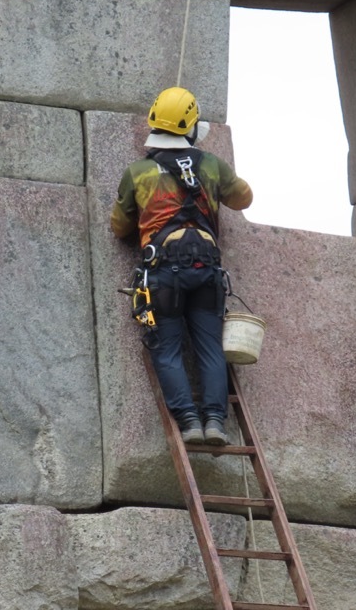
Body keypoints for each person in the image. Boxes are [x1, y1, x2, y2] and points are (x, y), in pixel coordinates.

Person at [110, 87, 253, 445]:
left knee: (167, 347)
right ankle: (216, 422)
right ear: (190, 126)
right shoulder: (211, 165)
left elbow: (119, 227)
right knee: (209, 347)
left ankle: (189, 422)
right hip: (207, 270)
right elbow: (244, 197)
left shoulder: (138, 172)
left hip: (161, 274)